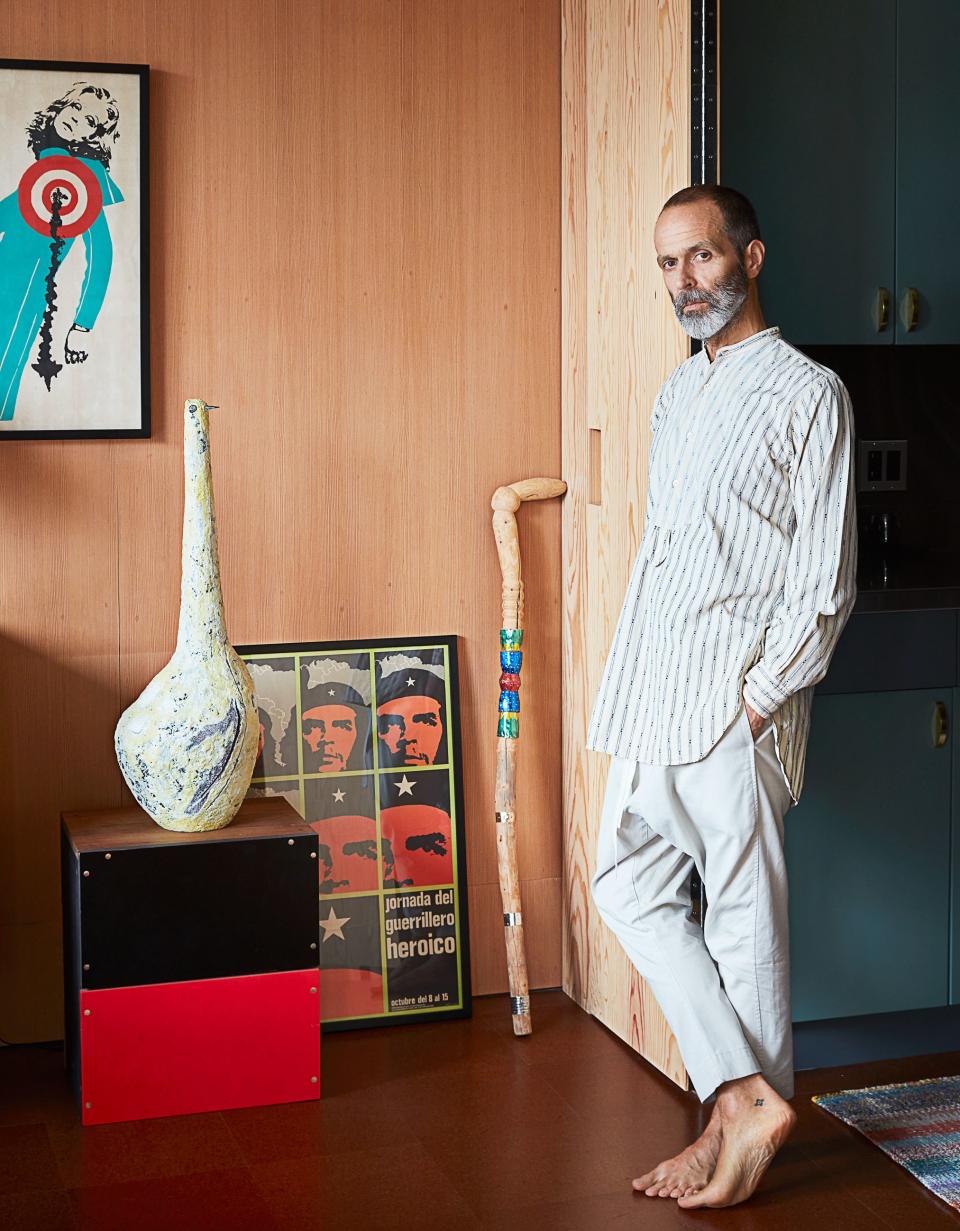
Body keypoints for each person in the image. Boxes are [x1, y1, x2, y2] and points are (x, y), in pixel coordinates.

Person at [586, 184, 858, 1209]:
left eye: (699, 259)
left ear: (749, 258)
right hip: (654, 687)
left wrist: (759, 699)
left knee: (744, 919)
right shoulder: (674, 393)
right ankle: (741, 1094)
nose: (681, 283)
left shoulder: (807, 392)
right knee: (625, 882)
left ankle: (740, 1130)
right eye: (666, 264)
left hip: (734, 699)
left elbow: (824, 581)